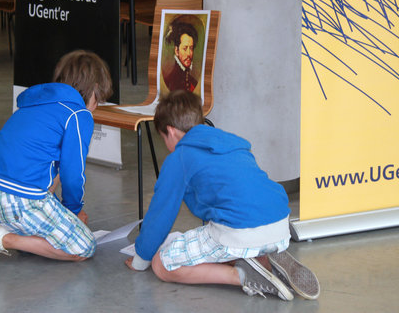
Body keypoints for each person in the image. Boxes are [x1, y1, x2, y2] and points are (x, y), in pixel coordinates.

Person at [125, 90, 320, 300]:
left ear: (171, 132)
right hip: (279, 224)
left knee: (162, 265)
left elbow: (160, 215)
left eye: (163, 137)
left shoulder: (180, 157)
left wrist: (141, 259)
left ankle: (244, 275)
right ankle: (263, 256)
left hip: (238, 231)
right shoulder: (232, 143)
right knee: (223, 235)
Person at [0, 50, 113, 271]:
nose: (97, 105)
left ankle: (20, 229)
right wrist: (73, 211)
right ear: (94, 89)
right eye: (99, 99)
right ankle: (4, 238)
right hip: (15, 200)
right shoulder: (78, 114)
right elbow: (73, 173)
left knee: (52, 166)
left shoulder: (35, 104)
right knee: (84, 247)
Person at [162, 21, 199, 92]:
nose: (189, 53)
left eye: (191, 48)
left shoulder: (193, 80)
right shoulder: (171, 79)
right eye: (185, 49)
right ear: (176, 51)